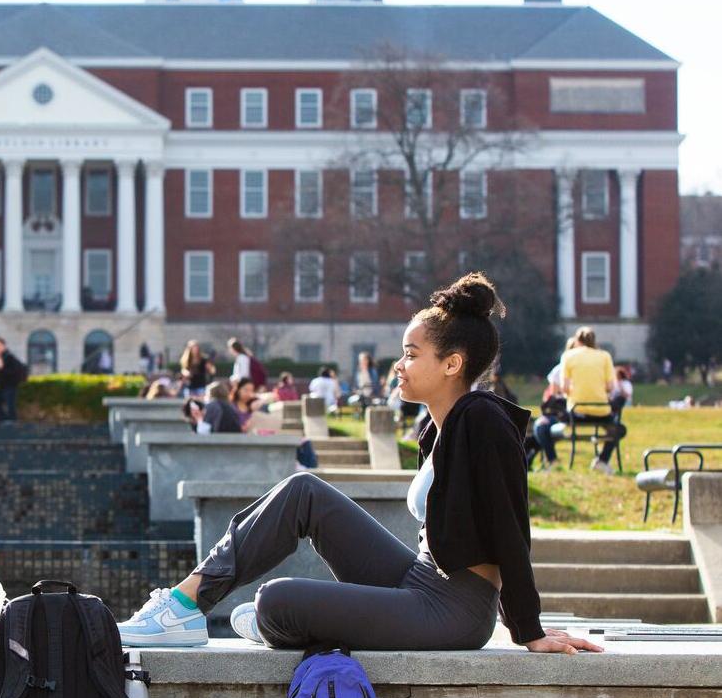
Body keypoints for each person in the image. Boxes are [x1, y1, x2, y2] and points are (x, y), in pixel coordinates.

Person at [116, 272, 602, 657]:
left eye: (411, 355)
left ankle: (277, 618)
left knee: (274, 600)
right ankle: (183, 605)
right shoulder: (438, 427)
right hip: (419, 580)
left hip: (453, 609)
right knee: (303, 491)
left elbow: (509, 526)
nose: (398, 364)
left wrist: (527, 627)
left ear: (451, 364)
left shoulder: (483, 419)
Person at [560, 326, 622, 475]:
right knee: (618, 429)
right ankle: (602, 460)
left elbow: (564, 388)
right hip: (600, 410)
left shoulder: (568, 356)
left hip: (577, 412)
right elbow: (610, 387)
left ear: (577, 340)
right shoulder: (604, 356)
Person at [0, 336, 26, 423]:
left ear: (4, 346)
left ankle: (11, 425)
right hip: (0, 387)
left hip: (9, 387)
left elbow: (11, 372)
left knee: (10, 407)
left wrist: (2, 368)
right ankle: (5, 422)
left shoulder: (9, 357)